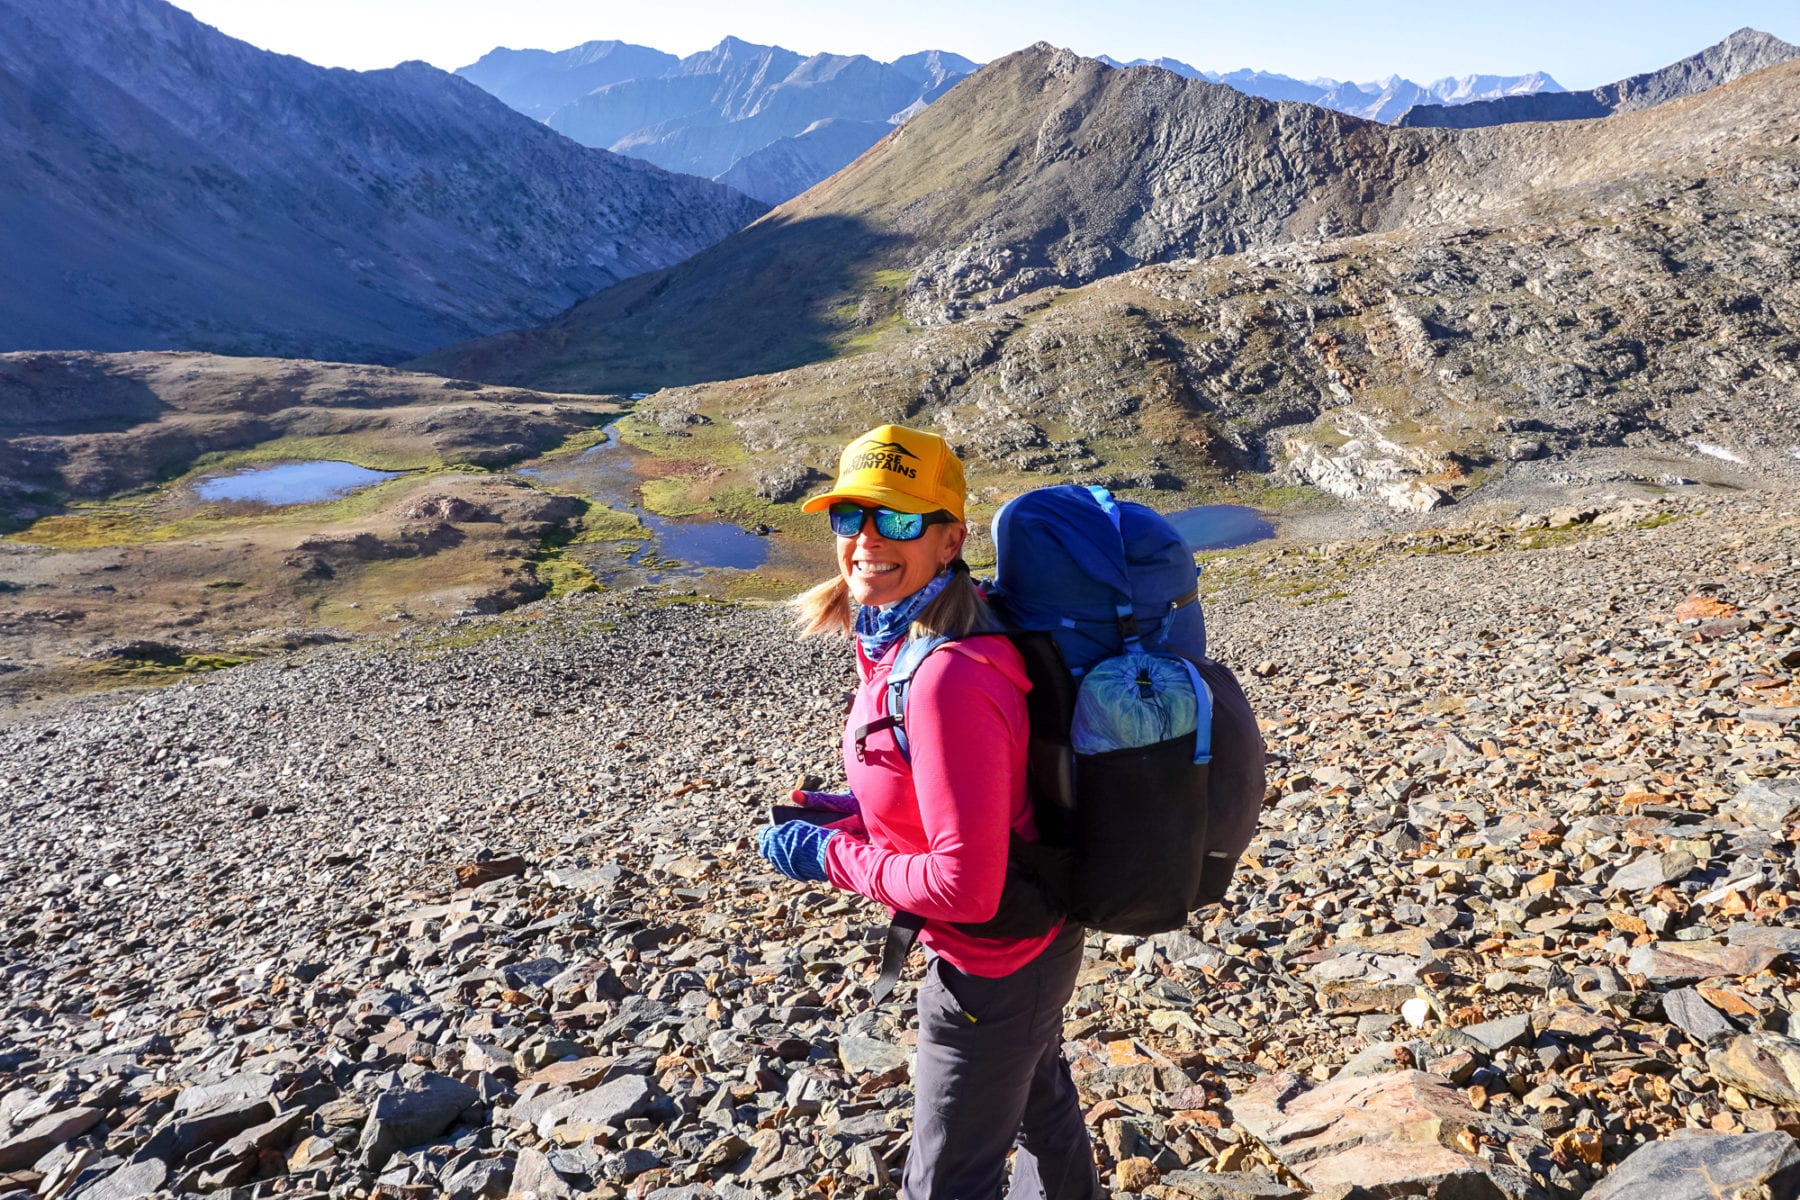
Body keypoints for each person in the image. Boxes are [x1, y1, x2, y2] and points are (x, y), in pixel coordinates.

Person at [754, 424, 1101, 1199]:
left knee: (945, 1182)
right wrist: (852, 810)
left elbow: (963, 886)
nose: (868, 540)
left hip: (993, 964)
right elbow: (962, 786)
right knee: (1041, 1105)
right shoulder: (908, 632)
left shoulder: (945, 675)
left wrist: (825, 856)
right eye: (852, 517)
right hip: (1033, 939)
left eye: (901, 520)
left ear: (950, 540)